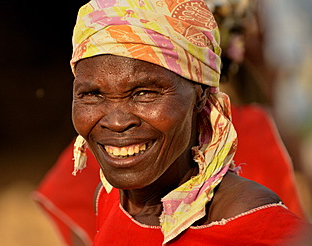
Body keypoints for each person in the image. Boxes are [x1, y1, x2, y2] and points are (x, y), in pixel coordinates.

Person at [36, 0, 310, 245]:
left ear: (201, 96)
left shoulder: (259, 231)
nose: (117, 121)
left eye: (145, 93)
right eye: (92, 94)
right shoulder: (112, 197)